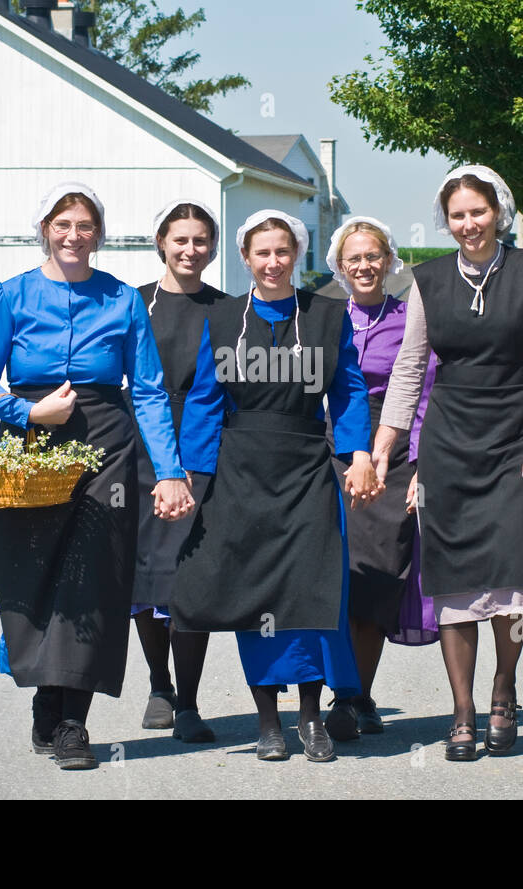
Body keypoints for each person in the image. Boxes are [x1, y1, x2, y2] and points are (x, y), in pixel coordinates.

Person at [0, 182, 194, 771]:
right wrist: (27, 411)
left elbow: (146, 391)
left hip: (106, 442)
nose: (74, 235)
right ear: (44, 227)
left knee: (95, 580)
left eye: (85, 225)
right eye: (63, 224)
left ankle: (73, 723)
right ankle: (46, 697)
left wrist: (168, 472)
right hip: (30, 439)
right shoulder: (9, 295)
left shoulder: (121, 300)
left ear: (99, 233)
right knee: (32, 571)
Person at [372, 165, 523, 760]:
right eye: (457, 215)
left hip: (515, 439)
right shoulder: (427, 280)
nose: (467, 225)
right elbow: (409, 370)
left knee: (511, 573)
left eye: (477, 212)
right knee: (453, 579)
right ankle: (462, 711)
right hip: (449, 444)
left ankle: (503, 689)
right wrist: (387, 446)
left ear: (498, 212)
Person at [171, 209, 380, 762]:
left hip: (308, 468)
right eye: (261, 253)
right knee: (253, 594)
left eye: (282, 251)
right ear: (246, 258)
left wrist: (358, 455)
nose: (272, 262)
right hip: (240, 472)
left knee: (310, 592)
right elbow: (203, 401)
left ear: (298, 255)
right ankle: (268, 722)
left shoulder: (328, 316)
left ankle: (311, 719)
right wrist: (193, 475)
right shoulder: (221, 319)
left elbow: (350, 389)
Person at [320, 216, 438, 740]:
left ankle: (356, 695)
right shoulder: (323, 317)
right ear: (339, 267)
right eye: (354, 259)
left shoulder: (413, 317)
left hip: (398, 450)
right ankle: (340, 690)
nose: (364, 266)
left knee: (377, 574)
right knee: (335, 576)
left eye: (374, 256)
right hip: (332, 449)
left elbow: (429, 392)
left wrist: (423, 463)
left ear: (389, 261)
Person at [130, 199, 227, 743]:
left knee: (190, 575)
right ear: (161, 242)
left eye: (201, 241)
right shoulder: (134, 303)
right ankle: (158, 684)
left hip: (204, 451)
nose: (191, 250)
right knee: (148, 573)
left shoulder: (228, 308)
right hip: (138, 451)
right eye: (181, 240)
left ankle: (188, 701)